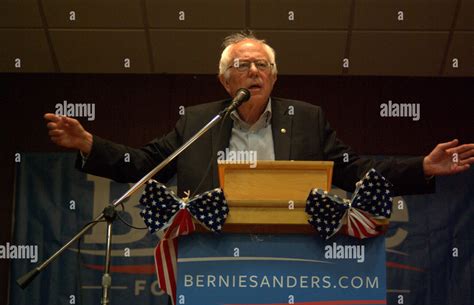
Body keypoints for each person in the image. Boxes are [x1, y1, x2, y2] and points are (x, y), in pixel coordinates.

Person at [44, 32, 473, 198]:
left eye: (262, 65)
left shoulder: (307, 120)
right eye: (242, 66)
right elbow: (143, 165)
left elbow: (356, 171)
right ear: (224, 81)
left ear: (274, 76)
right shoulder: (197, 123)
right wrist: (88, 144)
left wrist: (422, 167)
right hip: (208, 259)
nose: (253, 71)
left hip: (287, 260)